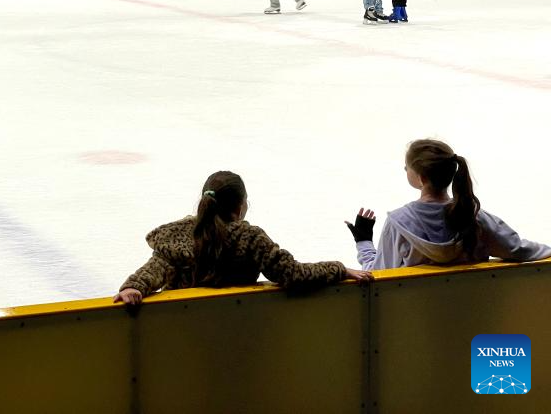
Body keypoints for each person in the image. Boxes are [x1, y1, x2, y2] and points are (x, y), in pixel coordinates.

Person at [114, 171, 372, 305]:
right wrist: (340, 269)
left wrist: (133, 287)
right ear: (240, 207)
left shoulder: (177, 236)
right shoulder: (249, 238)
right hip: (238, 333)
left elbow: (154, 269)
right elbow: (292, 274)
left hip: (178, 335)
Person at [346, 139, 551, 271]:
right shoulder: (474, 217)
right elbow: (520, 250)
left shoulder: (399, 223)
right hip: (476, 316)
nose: (404, 169)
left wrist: (363, 242)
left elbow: (377, 275)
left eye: (407, 167)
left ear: (422, 177)